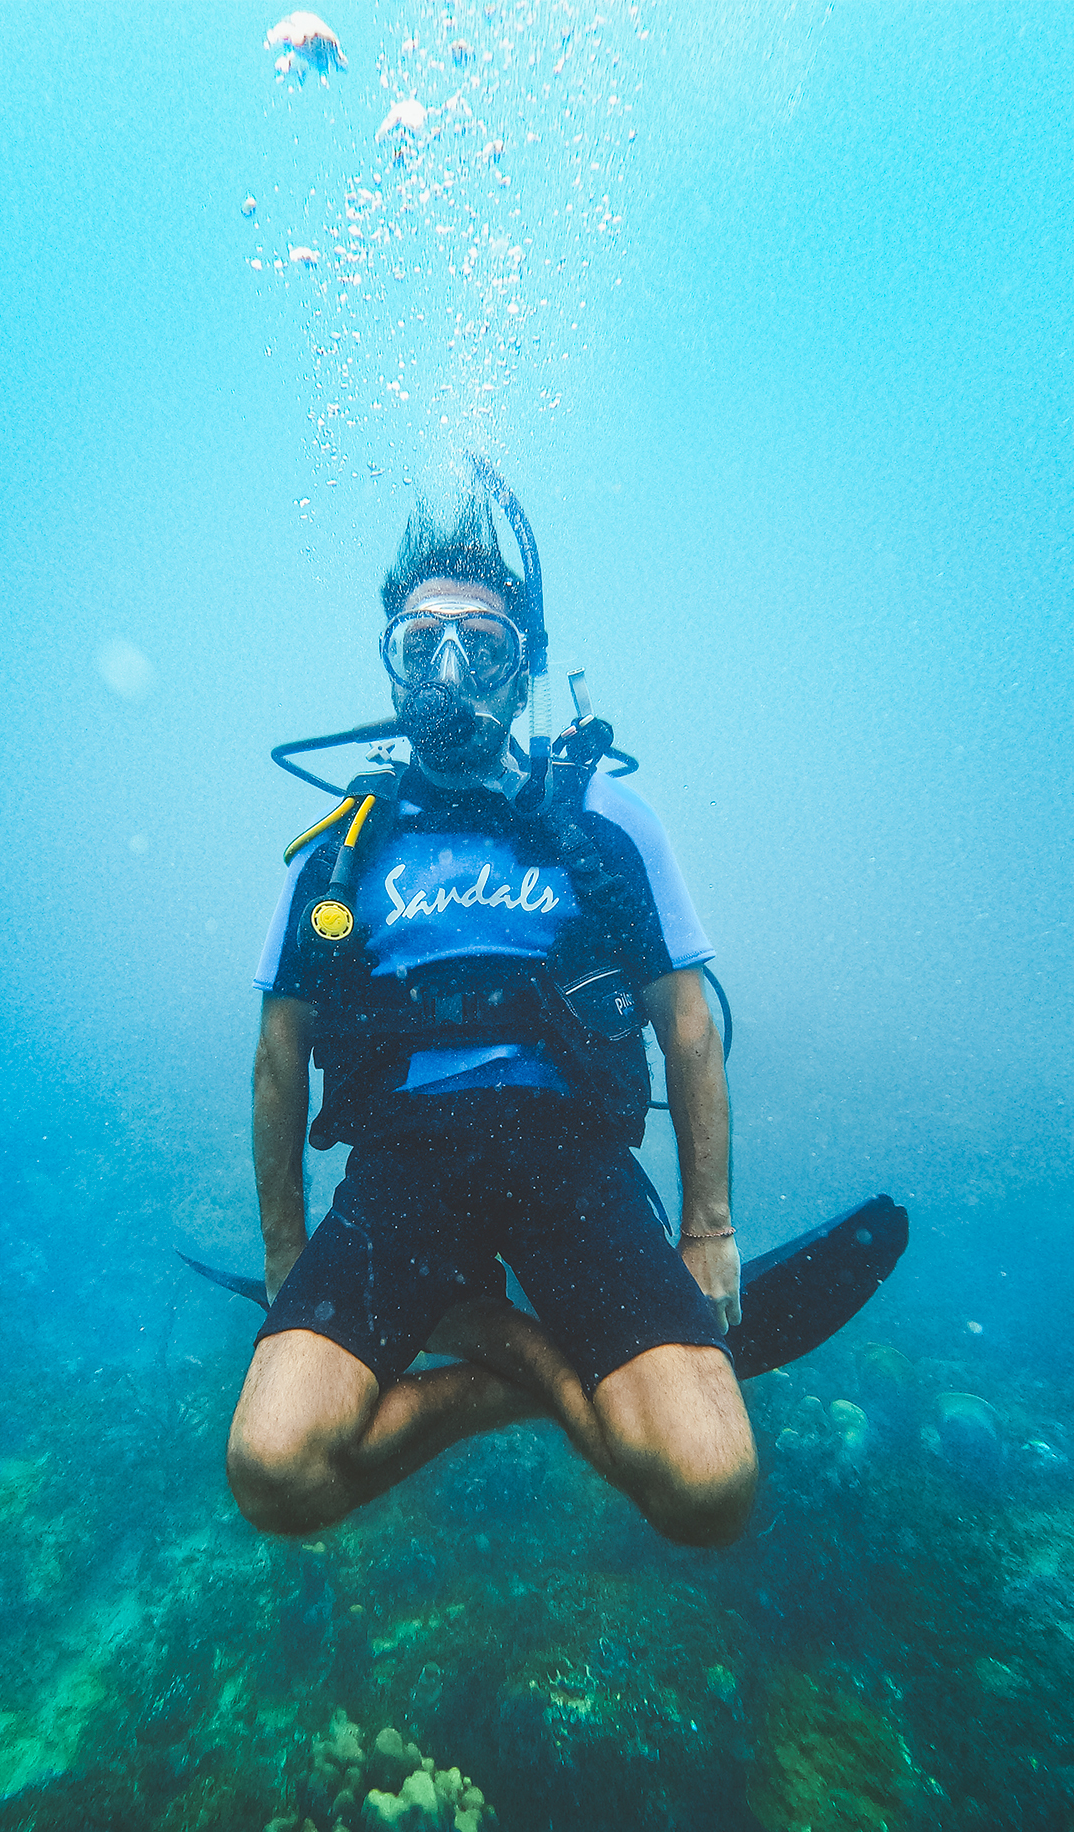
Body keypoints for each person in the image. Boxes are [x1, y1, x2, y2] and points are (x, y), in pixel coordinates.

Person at [226, 475, 757, 1548]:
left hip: (571, 1164)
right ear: (390, 662)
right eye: (420, 646)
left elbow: (687, 1024)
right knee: (274, 1474)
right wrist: (286, 1244)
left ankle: (498, 1336)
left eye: (482, 645)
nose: (449, 673)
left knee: (710, 1494)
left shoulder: (606, 823)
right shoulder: (339, 850)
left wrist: (709, 1228)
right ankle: (539, 1360)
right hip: (402, 1176)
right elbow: (280, 1054)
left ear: (526, 669)